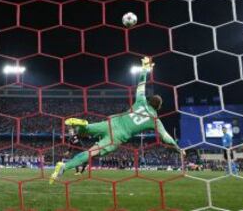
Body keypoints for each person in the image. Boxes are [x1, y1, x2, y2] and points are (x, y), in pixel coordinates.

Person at [50, 57, 182, 184]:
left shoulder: (141, 101)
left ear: (149, 100)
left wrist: (144, 69)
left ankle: (84, 126)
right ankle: (64, 166)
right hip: (117, 136)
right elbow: (166, 137)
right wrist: (177, 148)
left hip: (111, 122)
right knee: (91, 152)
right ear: (158, 108)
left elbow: (141, 84)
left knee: (84, 131)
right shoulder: (155, 120)